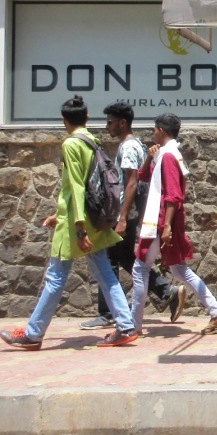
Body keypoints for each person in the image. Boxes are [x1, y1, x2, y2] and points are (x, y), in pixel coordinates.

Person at [1, 96, 138, 350]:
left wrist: (77, 227)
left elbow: (75, 186)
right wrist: (60, 213)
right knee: (105, 272)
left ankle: (33, 333)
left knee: (55, 277)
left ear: (64, 121)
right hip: (93, 219)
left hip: (77, 223)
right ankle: (126, 325)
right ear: (86, 118)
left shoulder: (71, 144)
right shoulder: (92, 141)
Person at [79, 101, 184, 330]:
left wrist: (123, 217)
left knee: (109, 259)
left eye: (110, 122)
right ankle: (166, 291)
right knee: (125, 258)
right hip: (128, 212)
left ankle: (108, 312)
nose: (107, 127)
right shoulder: (135, 144)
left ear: (122, 123)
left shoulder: (127, 147)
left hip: (123, 213)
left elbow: (132, 183)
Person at [131, 114, 217, 336]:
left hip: (161, 222)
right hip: (166, 221)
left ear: (162, 131)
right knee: (178, 269)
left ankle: (132, 325)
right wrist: (149, 157)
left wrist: (165, 226)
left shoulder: (167, 157)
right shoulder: (167, 154)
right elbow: (144, 176)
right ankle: (216, 311)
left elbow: (173, 195)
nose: (153, 133)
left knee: (140, 268)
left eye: (155, 129)